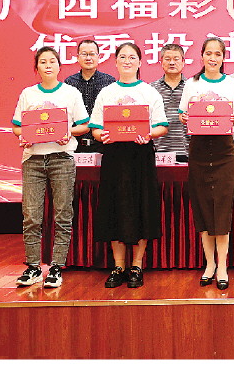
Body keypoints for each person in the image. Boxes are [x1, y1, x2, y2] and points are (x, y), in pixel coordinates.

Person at [89, 42, 169, 289]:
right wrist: (101, 135)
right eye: (122, 57)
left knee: (142, 208)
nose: (127, 61)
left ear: (140, 62)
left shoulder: (149, 92)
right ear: (115, 62)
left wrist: (150, 134)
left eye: (132, 57)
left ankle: (136, 265)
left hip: (140, 156)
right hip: (114, 156)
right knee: (114, 208)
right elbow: (95, 128)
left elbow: (162, 126)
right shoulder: (107, 92)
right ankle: (118, 266)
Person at [11, 47, 90, 288]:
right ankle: (33, 267)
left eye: (52, 61)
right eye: (43, 62)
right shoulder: (28, 94)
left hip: (61, 159)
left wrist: (67, 132)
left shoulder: (71, 93)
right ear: (36, 67)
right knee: (31, 216)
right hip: (33, 160)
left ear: (59, 66)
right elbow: (17, 126)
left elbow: (84, 125)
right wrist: (24, 136)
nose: (48, 65)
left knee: (63, 214)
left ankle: (56, 267)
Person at [179, 37, 234, 290]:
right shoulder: (192, 83)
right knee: (203, 207)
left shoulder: (231, 83)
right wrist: (185, 117)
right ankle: (209, 264)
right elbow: (183, 114)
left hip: (223, 151)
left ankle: (223, 266)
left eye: (218, 54)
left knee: (222, 208)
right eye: (209, 53)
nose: (213, 58)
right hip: (198, 149)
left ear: (223, 57)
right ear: (202, 56)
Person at [64, 39, 115, 152]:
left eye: (92, 54)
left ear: (99, 57)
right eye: (84, 54)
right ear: (78, 57)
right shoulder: (69, 83)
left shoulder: (109, 82)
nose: (88, 58)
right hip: (75, 144)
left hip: (103, 144)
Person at [150, 43, 190, 162]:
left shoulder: (192, 87)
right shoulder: (151, 89)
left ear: (183, 62)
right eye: (167, 59)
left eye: (176, 59)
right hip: (159, 152)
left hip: (187, 151)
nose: (172, 63)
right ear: (161, 62)